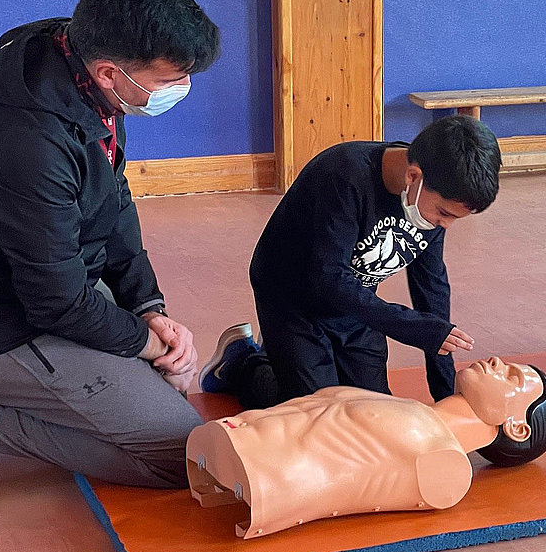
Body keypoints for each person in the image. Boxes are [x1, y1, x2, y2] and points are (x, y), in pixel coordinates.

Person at [0, 0, 219, 517]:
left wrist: (149, 307)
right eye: (167, 81)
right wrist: (150, 343)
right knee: (188, 459)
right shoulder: (25, 139)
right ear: (111, 72)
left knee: (168, 392)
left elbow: (115, 205)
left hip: (41, 285)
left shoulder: (79, 67)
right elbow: (57, 301)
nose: (176, 92)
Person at [200, 114, 502, 409]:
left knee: (371, 412)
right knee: (317, 416)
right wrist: (413, 328)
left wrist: (445, 393)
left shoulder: (430, 206)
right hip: (292, 298)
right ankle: (245, 363)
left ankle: (283, 357)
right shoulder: (344, 176)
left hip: (355, 303)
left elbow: (432, 289)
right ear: (414, 178)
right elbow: (328, 279)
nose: (445, 226)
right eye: (445, 214)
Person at [187, 357, 546, 538]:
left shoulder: (447, 469)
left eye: (511, 376)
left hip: (259, 478)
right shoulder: (414, 413)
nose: (498, 363)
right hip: (229, 441)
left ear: (518, 427)